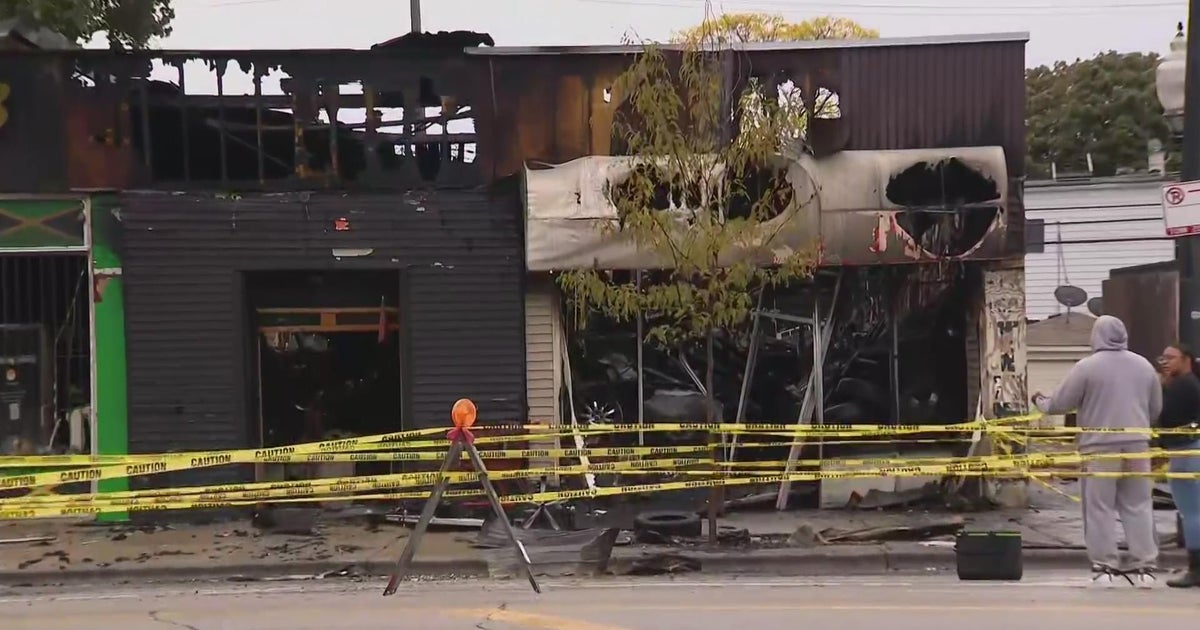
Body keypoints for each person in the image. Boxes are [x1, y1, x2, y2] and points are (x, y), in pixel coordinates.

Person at [1032, 315, 1161, 588]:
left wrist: (1040, 401)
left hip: (1099, 448)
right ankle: (1145, 567)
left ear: (1097, 336)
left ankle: (1105, 567)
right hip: (1138, 446)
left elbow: (1060, 403)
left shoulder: (1087, 367)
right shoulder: (1144, 366)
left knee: (1099, 507)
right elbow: (1156, 408)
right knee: (1138, 505)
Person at [1156, 343, 1200, 588]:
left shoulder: (1183, 386)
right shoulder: (1189, 383)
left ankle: (1196, 569)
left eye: (1171, 358)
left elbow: (1166, 417)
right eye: (1163, 358)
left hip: (1186, 451)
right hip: (1186, 449)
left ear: (1186, 359)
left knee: (1192, 513)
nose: (1166, 362)